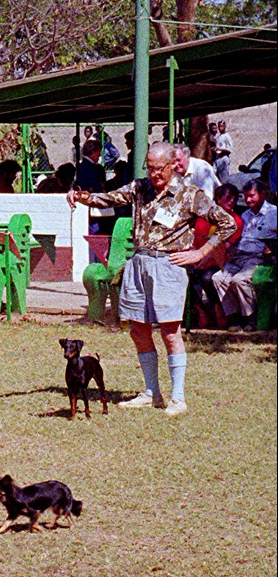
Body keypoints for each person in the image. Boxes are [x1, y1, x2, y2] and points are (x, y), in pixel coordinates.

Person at [67, 142, 236, 416]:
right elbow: (109, 199)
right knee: (138, 330)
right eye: (150, 168)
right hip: (139, 263)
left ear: (172, 166)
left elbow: (227, 222)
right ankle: (151, 393)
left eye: (159, 169)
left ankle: (177, 398)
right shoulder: (139, 187)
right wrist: (82, 196)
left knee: (170, 333)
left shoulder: (190, 194)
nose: (154, 174)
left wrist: (200, 252)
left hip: (168, 266)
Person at [211, 179, 277, 332]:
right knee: (218, 278)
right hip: (238, 256)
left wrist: (273, 248)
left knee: (239, 280)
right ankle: (234, 318)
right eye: (246, 196)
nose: (248, 200)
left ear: (262, 194)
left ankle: (251, 318)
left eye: (252, 196)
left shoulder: (274, 213)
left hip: (258, 257)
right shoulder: (246, 215)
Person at [189, 183, 243, 329]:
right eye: (228, 198)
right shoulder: (204, 218)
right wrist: (192, 257)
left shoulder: (235, 221)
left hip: (219, 261)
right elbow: (195, 242)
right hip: (198, 258)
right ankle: (202, 309)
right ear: (218, 198)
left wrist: (202, 259)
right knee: (183, 275)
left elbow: (224, 247)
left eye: (234, 199)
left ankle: (218, 307)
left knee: (207, 277)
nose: (231, 201)